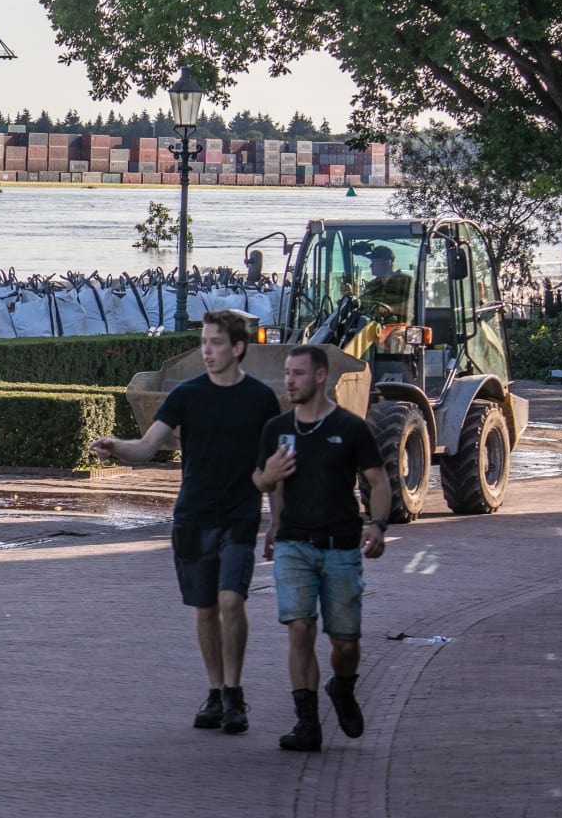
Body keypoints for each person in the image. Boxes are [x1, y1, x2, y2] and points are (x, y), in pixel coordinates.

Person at [92, 310, 279, 736]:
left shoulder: (261, 399)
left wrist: (278, 518)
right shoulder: (185, 395)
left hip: (241, 514)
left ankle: (235, 693)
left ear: (238, 348)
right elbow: (147, 447)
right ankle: (214, 691)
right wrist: (115, 447)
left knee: (232, 600)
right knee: (205, 607)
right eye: (204, 343)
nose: (207, 351)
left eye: (215, 343)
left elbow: (272, 465)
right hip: (194, 515)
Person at [250, 345, 388, 753]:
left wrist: (378, 525)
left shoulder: (351, 427)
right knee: (300, 628)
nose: (289, 381)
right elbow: (261, 480)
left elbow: (378, 482)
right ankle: (306, 723)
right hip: (294, 544)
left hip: (341, 547)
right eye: (287, 373)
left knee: (345, 643)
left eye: (298, 374)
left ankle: (342, 687)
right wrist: (268, 480)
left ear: (321, 376)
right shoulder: (276, 428)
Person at [355, 244, 412, 322]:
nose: (371, 265)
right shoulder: (371, 285)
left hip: (397, 329)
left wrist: (391, 309)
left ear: (388, 262)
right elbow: (361, 305)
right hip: (369, 328)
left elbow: (415, 306)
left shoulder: (406, 281)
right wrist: (353, 295)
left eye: (375, 261)